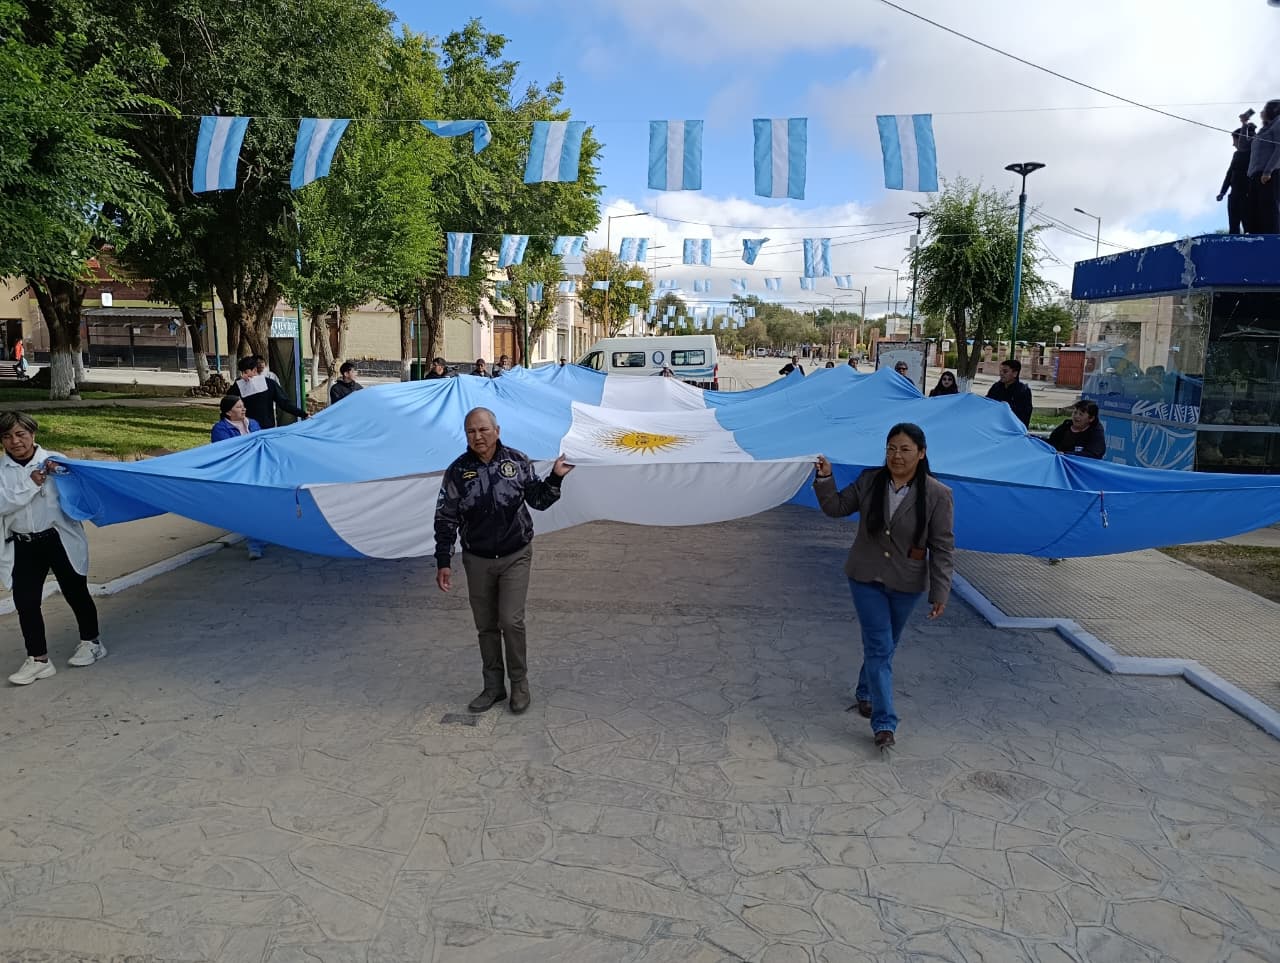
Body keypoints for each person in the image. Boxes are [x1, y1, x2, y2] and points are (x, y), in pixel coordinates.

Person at [813, 423, 954, 749]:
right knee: (879, 646)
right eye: (891, 449)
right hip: (865, 577)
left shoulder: (938, 495)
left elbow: (943, 547)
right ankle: (884, 723)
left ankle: (865, 691)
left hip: (907, 582)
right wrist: (825, 478)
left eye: (905, 449)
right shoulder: (869, 480)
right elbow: (835, 507)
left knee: (886, 644)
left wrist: (940, 591)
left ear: (921, 453)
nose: (896, 456)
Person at [434, 407, 574, 715]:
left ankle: (519, 683)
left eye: (483, 429)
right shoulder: (458, 471)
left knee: (510, 621)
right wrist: (443, 559)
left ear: (497, 431)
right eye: (471, 431)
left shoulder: (517, 461)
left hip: (515, 554)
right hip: (477, 558)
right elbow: (445, 517)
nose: (478, 436)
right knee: (486, 625)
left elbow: (538, 500)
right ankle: (493, 686)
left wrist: (555, 477)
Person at [1, 413, 105, 685]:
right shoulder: (2, 471)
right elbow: (3, 504)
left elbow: (83, 494)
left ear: (33, 434)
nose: (15, 441)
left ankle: (92, 642)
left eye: (21, 434)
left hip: (59, 539)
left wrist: (65, 475)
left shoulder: (57, 461)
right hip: (23, 544)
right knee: (26, 602)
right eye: (7, 436)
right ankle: (38, 660)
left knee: (75, 591)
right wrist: (32, 483)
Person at [210, 396, 269, 560]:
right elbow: (228, 451)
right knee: (250, 509)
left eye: (243, 406)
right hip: (239, 474)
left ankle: (265, 536)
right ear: (228, 412)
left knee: (263, 506)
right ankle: (255, 545)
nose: (243, 409)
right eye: (238, 407)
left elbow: (263, 443)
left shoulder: (253, 424)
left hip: (259, 470)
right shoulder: (220, 429)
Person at [229, 356, 307, 428]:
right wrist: (239, 382)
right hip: (247, 426)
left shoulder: (269, 383)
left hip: (266, 426)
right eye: (242, 373)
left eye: (246, 372)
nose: (244, 375)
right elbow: (228, 400)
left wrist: (303, 414)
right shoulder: (239, 385)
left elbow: (284, 402)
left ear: (254, 370)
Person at [1246, 99, 1280, 234]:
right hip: (1255, 175)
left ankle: (1272, 242)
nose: (1262, 112)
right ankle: (1256, 242)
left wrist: (1268, 171)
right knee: (1254, 213)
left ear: (1274, 109)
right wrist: (1245, 125)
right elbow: (1245, 144)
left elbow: (1279, 148)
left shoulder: (1278, 122)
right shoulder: (1263, 130)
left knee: (1269, 211)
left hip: (1269, 175)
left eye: (1265, 108)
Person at [1219, 115, 1256, 235]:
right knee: (1233, 227)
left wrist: (1250, 130)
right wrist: (1223, 192)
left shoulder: (1253, 154)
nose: (1233, 144)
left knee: (1249, 226)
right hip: (1234, 194)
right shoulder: (1236, 155)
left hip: (1247, 194)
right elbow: (1229, 174)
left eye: (1234, 140)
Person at [986, 359, 1033, 428]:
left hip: (1012, 428)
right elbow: (987, 403)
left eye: (1005, 371)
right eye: (1000, 371)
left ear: (1015, 373)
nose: (1001, 374)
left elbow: (1025, 414)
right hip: (994, 426)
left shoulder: (1023, 391)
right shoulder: (996, 387)